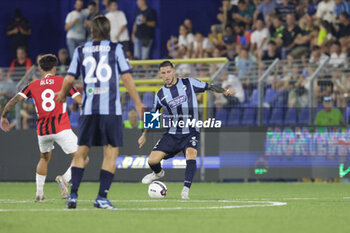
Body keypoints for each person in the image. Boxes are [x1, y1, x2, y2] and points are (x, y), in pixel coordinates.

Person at [56, 16, 144, 209]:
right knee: (111, 152)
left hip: (88, 109)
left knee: (81, 152)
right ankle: (102, 197)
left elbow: (69, 79)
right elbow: (127, 77)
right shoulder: (116, 48)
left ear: (91, 30)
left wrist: (62, 95)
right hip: (110, 110)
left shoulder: (80, 50)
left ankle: (73, 196)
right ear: (108, 29)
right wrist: (138, 103)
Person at [138, 61, 235, 199]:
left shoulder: (189, 83)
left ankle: (185, 190)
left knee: (191, 155)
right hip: (172, 133)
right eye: (163, 73)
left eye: (169, 72)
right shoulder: (160, 94)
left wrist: (224, 91)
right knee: (152, 161)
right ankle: (158, 174)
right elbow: (153, 115)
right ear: (160, 75)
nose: (166, 75)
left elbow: (210, 86)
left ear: (174, 71)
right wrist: (144, 134)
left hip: (191, 130)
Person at [0, 54, 86, 202]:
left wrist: (3, 116)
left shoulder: (33, 85)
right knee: (82, 156)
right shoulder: (63, 82)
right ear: (54, 68)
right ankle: (65, 179)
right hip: (61, 127)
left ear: (40, 68)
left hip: (43, 130)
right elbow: (80, 101)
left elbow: (13, 101)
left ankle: (39, 194)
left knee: (44, 158)